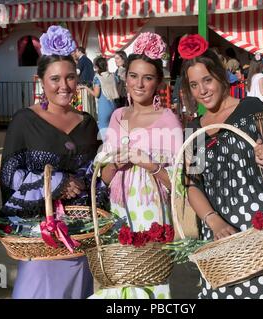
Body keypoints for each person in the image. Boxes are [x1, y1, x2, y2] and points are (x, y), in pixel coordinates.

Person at [178, 34, 263, 299]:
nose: (202, 90)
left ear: (221, 76)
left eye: (207, 80)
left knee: (257, 292)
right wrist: (213, 220)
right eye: (194, 85)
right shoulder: (194, 128)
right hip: (217, 228)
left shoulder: (252, 108)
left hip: (257, 224)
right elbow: (192, 185)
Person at [0, 25, 108, 299]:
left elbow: (96, 174)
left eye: (70, 78)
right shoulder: (24, 121)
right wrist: (59, 183)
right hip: (40, 238)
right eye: (55, 78)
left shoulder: (87, 123)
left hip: (78, 238)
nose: (64, 86)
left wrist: (84, 182)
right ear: (41, 80)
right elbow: (9, 176)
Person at [90, 32, 183, 299]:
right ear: (125, 76)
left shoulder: (168, 120)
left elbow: (180, 184)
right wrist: (114, 164)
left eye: (148, 77)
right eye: (133, 76)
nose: (139, 84)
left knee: (150, 281)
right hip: (120, 213)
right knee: (121, 280)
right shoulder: (118, 117)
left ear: (158, 83)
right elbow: (105, 178)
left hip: (153, 213)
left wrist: (151, 165)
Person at [79, 56, 118, 140]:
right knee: (114, 130)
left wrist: (86, 88)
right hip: (113, 105)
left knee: (104, 130)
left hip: (104, 106)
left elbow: (96, 94)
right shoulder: (113, 76)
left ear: (96, 66)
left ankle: (107, 150)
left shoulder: (97, 78)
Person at [73, 47, 97, 118]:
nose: (75, 54)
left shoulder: (82, 60)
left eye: (76, 52)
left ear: (80, 52)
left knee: (85, 104)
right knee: (90, 104)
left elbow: (77, 72)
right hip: (90, 84)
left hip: (84, 85)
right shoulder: (88, 60)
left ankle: (86, 119)